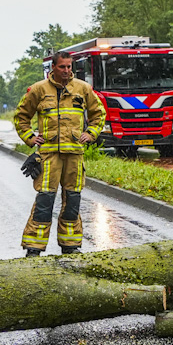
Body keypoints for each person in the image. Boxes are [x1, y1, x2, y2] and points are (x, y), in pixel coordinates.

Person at [12, 50, 106, 256]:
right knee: (45, 201)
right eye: (62, 67)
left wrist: (91, 133)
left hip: (74, 155)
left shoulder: (82, 89)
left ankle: (70, 246)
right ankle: (33, 248)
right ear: (53, 67)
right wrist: (29, 137)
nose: (66, 71)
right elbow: (21, 117)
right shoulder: (38, 90)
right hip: (48, 156)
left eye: (69, 66)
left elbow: (99, 113)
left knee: (72, 200)